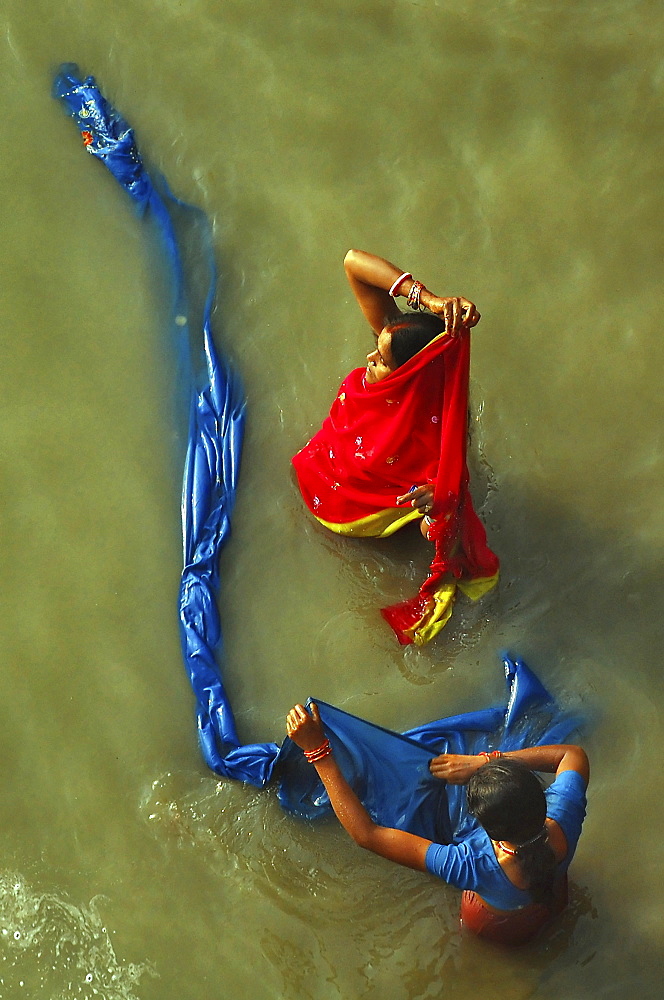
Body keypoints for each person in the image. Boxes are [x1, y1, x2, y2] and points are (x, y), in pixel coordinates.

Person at [292, 250, 499, 646]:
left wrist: (435, 510)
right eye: (375, 344)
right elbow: (353, 263)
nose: (369, 358)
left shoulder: (431, 447)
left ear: (411, 376)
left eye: (382, 359)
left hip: (349, 525)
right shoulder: (396, 363)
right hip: (317, 471)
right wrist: (430, 300)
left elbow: (437, 523)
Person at [285, 701, 589, 947]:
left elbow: (368, 835)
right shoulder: (565, 813)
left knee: (471, 942)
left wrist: (318, 753)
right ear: (542, 798)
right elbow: (570, 754)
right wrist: (488, 760)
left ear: (487, 830)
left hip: (496, 924)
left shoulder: (469, 864)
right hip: (554, 891)